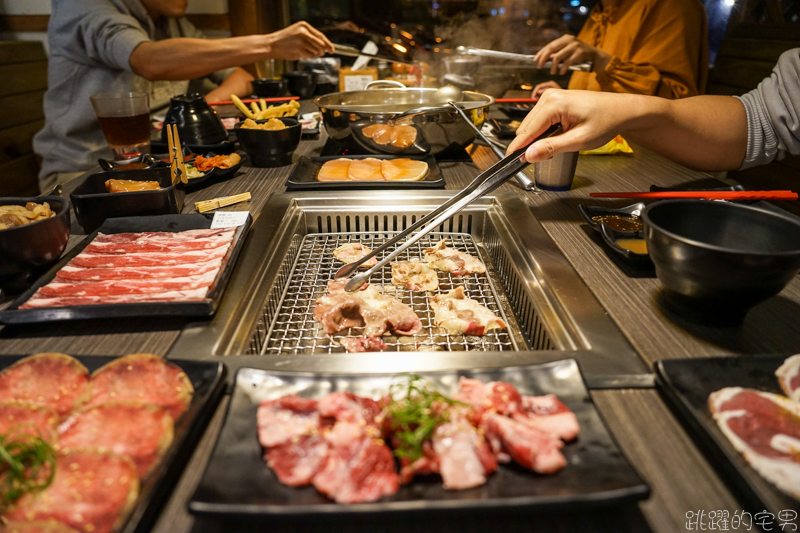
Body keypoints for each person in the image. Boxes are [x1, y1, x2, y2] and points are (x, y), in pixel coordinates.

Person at [34, 0, 334, 193]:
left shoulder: (171, 21)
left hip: (169, 158)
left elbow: (243, 75)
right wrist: (270, 43)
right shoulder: (84, 6)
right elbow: (148, 60)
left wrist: (194, 111)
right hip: (85, 170)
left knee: (268, 191)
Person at [508, 49, 800, 175]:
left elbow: (678, 91)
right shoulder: (600, 13)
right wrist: (629, 109)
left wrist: (626, 105)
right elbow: (761, 120)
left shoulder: (669, 9)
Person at [530, 0, 708, 100]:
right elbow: (601, 94)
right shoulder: (599, 13)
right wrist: (568, 97)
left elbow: (677, 102)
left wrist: (601, 61)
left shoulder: (673, 6)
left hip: (641, 158)